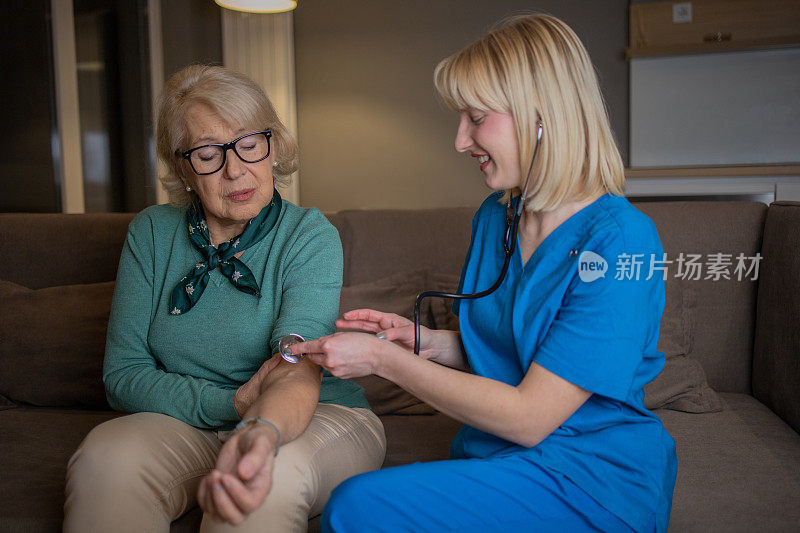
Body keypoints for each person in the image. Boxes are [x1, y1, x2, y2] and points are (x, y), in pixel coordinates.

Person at [290, 14, 677, 533]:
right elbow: (514, 350)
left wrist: (384, 361)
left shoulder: (620, 241)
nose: (459, 141)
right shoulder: (497, 216)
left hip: (591, 478)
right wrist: (424, 344)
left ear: (542, 116)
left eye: (475, 118)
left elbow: (530, 414)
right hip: (497, 457)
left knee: (355, 507)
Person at [63, 65, 386, 533]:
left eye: (248, 143)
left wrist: (259, 430)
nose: (235, 170)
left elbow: (296, 368)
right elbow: (123, 374)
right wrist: (233, 404)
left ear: (272, 145)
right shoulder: (151, 233)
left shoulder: (308, 235)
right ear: (182, 168)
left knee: (263, 478)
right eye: (208, 153)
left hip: (309, 416)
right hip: (188, 421)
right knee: (104, 459)